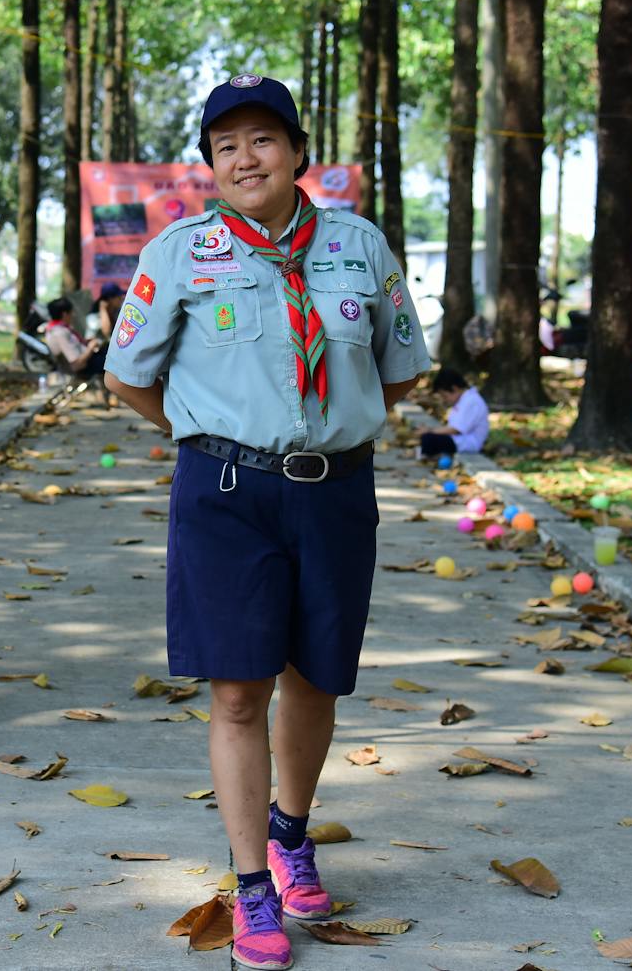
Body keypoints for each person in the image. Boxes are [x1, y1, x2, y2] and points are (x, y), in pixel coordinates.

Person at [104, 73, 428, 971]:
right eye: (226, 146)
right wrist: (209, 435)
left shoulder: (360, 248)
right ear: (210, 165)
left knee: (316, 675)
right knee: (240, 689)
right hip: (225, 495)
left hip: (333, 491)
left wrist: (336, 425)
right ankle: (252, 885)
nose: (246, 158)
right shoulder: (180, 252)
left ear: (295, 152)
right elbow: (126, 373)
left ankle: (291, 833)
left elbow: (401, 369)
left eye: (263, 140)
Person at [419, 367, 489, 459]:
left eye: (445, 396)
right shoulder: (463, 400)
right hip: (458, 440)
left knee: (429, 438)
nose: (444, 399)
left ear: (454, 388)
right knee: (429, 438)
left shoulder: (471, 401)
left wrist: (429, 431)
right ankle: (425, 453)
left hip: (468, 443)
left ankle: (424, 455)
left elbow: (456, 429)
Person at [42, 297, 104, 377]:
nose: (73, 315)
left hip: (88, 360)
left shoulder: (58, 328)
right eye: (71, 312)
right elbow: (77, 364)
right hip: (85, 367)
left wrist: (86, 342)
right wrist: (91, 348)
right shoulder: (59, 333)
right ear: (64, 314)